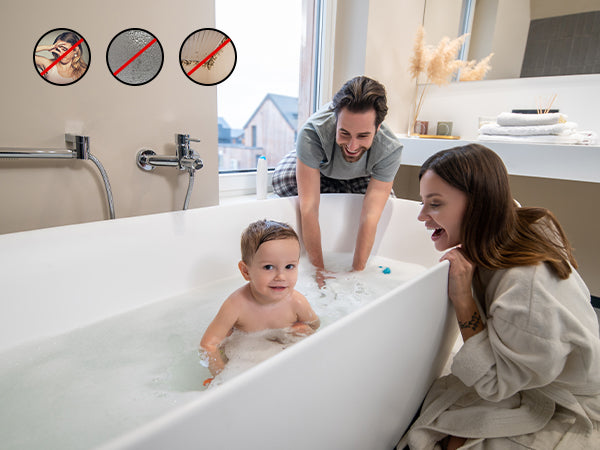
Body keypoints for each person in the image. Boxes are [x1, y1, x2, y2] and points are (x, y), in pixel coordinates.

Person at [398, 144, 600, 449]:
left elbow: (494, 384)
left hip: (562, 397)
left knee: (443, 435)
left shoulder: (526, 289)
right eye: (423, 202)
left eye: (435, 204)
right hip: (532, 376)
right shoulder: (511, 222)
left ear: (479, 207)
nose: (421, 216)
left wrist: (463, 299)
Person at [272, 76, 403, 280]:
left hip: (360, 174)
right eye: (344, 133)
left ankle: (339, 189)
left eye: (362, 136)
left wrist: (356, 273)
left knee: (388, 203)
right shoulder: (312, 133)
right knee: (283, 180)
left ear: (377, 128)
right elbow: (309, 208)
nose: (352, 147)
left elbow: (370, 217)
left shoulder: (389, 149)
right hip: (319, 169)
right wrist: (319, 272)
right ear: (335, 121)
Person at [200, 219, 320, 378]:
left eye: (289, 266)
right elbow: (208, 344)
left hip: (282, 356)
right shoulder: (236, 305)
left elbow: (315, 325)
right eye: (268, 267)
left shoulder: (296, 302)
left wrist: (302, 331)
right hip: (243, 357)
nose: (281, 276)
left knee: (303, 331)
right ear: (246, 271)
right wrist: (222, 377)